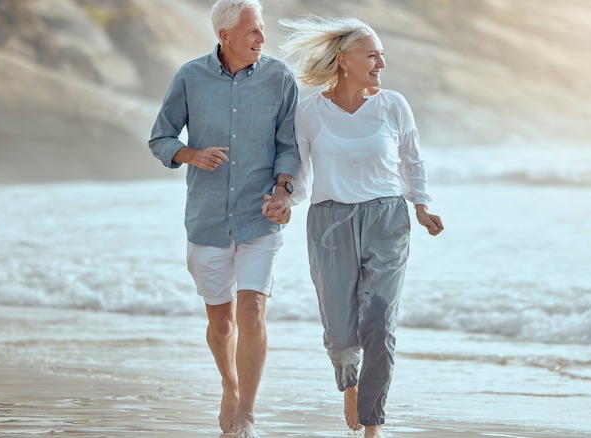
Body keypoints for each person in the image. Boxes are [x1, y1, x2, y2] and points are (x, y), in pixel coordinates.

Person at [279, 15, 445, 438]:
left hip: (386, 220)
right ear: (344, 60)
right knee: (339, 330)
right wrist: (284, 199)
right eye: (372, 55)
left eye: (382, 56)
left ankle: (373, 423)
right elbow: (299, 173)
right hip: (329, 224)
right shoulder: (310, 111)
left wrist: (421, 206)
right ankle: (348, 381)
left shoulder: (393, 105)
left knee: (378, 322)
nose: (381, 64)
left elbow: (413, 159)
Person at [148, 1, 299, 436]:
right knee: (222, 323)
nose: (261, 39)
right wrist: (191, 154)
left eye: (262, 29)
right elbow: (160, 137)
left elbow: (289, 146)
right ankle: (229, 386)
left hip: (260, 217)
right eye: (252, 31)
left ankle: (247, 413)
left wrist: (284, 190)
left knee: (251, 310)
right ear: (225, 36)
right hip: (207, 218)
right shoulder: (190, 77)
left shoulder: (280, 78)